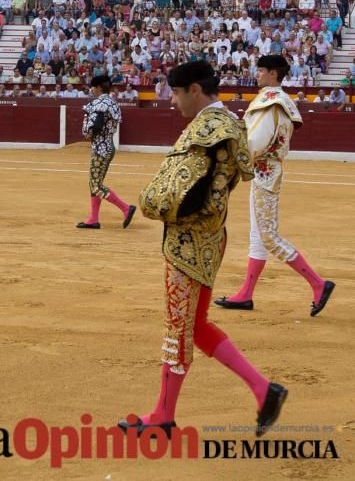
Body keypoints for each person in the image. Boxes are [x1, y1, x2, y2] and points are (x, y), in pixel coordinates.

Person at [118, 60, 288, 439]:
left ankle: (163, 414)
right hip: (211, 238)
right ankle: (263, 390)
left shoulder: (209, 130)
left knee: (179, 327)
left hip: (189, 241)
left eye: (177, 93)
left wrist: (153, 203)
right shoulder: (227, 124)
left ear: (194, 89)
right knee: (195, 326)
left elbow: (189, 193)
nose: (174, 101)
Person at [215, 55, 335, 317]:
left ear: (272, 73)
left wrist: (234, 153)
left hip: (265, 172)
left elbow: (255, 143)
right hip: (264, 173)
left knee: (267, 235)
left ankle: (318, 283)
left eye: (260, 70)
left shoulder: (271, 103)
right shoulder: (278, 101)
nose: (256, 74)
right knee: (258, 235)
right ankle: (245, 294)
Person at [77, 74, 136, 230]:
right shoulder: (113, 103)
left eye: (93, 87)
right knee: (95, 184)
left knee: (96, 185)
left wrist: (89, 133)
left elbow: (97, 125)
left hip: (100, 148)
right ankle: (93, 219)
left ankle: (125, 208)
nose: (91, 90)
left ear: (98, 88)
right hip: (108, 145)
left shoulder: (99, 103)